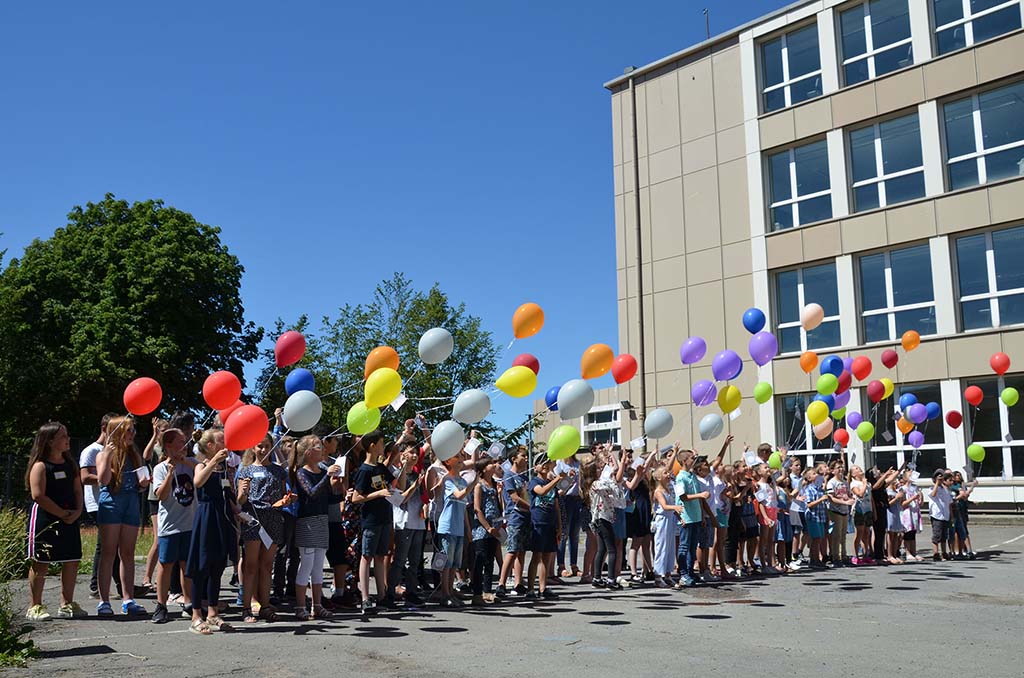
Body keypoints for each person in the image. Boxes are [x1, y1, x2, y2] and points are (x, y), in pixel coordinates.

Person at [25, 422, 85, 620]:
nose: (67, 439)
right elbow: (38, 495)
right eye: (62, 437)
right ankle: (35, 606)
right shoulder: (40, 466)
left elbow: (78, 490)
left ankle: (66, 603)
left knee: (71, 560)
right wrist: (61, 513)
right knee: (41, 562)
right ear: (50, 441)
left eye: (66, 435)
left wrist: (77, 511)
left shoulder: (70, 464)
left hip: (69, 518)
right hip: (46, 518)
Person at [96, 416, 149, 617]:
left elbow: (141, 483)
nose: (132, 434)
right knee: (108, 551)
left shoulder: (134, 453)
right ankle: (104, 601)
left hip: (131, 501)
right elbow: (103, 479)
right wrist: (108, 456)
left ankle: (128, 599)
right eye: (128, 430)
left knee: (128, 553)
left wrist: (144, 483)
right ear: (116, 432)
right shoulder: (104, 454)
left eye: (133, 430)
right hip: (111, 502)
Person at [237, 434, 293, 622]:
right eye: (260, 446)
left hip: (274, 519)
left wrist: (287, 500)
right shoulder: (246, 470)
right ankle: (246, 607)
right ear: (253, 448)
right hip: (254, 520)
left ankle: (265, 606)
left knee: (267, 565)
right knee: (251, 565)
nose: (263, 450)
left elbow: (288, 495)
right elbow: (240, 501)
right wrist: (243, 493)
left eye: (267, 446)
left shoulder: (278, 471)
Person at [186, 428, 237, 634]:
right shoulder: (201, 465)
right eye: (221, 441)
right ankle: (196, 614)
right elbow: (198, 482)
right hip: (206, 518)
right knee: (201, 567)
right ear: (210, 446)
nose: (225, 443)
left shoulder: (223, 469)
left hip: (222, 519)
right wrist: (214, 461)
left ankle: (213, 612)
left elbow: (228, 495)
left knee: (217, 566)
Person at [352, 430, 408, 615]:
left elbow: (398, 485)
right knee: (366, 556)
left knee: (380, 556)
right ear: (372, 446)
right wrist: (378, 493)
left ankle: (382, 596)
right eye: (381, 443)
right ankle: (366, 598)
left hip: (385, 518)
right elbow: (356, 497)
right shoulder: (364, 470)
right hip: (371, 520)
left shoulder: (380, 468)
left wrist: (405, 467)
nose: (383, 447)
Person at [290, 435, 343, 620]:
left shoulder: (322, 472)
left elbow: (329, 498)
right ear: (308, 452)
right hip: (307, 522)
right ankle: (299, 605)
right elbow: (311, 493)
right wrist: (327, 477)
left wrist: (341, 489)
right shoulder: (301, 473)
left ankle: (317, 605)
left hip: (322, 520)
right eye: (318, 447)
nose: (322, 449)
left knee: (319, 566)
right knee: (307, 565)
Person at [151, 428, 196, 623]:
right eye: (180, 442)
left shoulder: (191, 464)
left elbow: (202, 471)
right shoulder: (160, 468)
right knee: (166, 565)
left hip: (190, 524)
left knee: (187, 566)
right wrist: (170, 473)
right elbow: (161, 495)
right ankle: (161, 605)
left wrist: (184, 461)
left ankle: (189, 602)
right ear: (168, 446)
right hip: (170, 526)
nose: (184, 446)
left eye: (185, 441)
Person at [79, 413, 121, 600]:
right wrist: (106, 478)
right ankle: (96, 587)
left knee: (112, 545)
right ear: (105, 429)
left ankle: (120, 585)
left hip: (113, 502)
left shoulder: (117, 450)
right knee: (103, 546)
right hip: (97, 503)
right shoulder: (91, 451)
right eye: (115, 430)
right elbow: (85, 477)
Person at [386, 442, 427, 608]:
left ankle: (412, 592)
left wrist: (425, 502)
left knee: (415, 561)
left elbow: (424, 496)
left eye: (416, 452)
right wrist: (415, 485)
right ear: (402, 454)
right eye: (411, 452)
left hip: (418, 522)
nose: (415, 455)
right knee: (400, 560)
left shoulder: (418, 474)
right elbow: (401, 497)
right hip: (403, 522)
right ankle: (390, 593)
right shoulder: (397, 473)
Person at [584, 454, 625, 589]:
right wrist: (612, 473)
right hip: (602, 518)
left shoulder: (596, 483)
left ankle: (597, 577)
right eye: (599, 469)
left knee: (601, 549)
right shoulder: (596, 484)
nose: (602, 470)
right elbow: (611, 486)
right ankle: (611, 580)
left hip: (601, 518)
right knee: (612, 549)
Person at [495, 446, 530, 598]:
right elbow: (514, 497)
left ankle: (518, 582)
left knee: (521, 551)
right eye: (523, 455)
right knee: (512, 550)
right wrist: (532, 507)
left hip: (526, 517)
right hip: (514, 517)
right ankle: (501, 583)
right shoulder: (509, 476)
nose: (526, 458)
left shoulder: (524, 477)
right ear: (514, 458)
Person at [526, 456, 563, 600]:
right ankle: (530, 589)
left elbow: (556, 506)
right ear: (535, 467)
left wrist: (559, 526)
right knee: (537, 556)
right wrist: (555, 480)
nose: (545, 466)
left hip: (550, 523)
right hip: (538, 522)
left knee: (547, 557)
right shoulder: (534, 482)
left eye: (547, 463)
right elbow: (540, 492)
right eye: (541, 463)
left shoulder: (551, 483)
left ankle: (543, 587)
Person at [674, 449, 712, 588]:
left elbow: (697, 498)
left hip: (695, 516)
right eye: (691, 458)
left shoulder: (692, 476)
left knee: (692, 546)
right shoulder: (680, 477)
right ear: (684, 461)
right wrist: (700, 495)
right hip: (686, 517)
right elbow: (683, 496)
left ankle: (690, 572)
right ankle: (683, 573)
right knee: (684, 546)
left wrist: (701, 514)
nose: (693, 461)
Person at [470, 457, 502, 606]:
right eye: (490, 464)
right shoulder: (479, 486)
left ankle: (487, 590)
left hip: (495, 527)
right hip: (482, 529)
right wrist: (487, 527)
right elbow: (477, 508)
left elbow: (498, 505)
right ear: (483, 469)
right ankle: (476, 593)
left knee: (490, 560)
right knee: (480, 559)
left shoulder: (494, 485)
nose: (493, 466)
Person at [141, 418, 168, 592]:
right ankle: (146, 578)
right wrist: (154, 435)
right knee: (158, 540)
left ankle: (161, 577)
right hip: (155, 497)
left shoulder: (170, 448)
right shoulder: (156, 448)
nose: (164, 433)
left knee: (166, 539)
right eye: (162, 430)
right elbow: (146, 456)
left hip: (169, 497)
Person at [624, 452, 653, 584]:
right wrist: (651, 454)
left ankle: (649, 570)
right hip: (638, 511)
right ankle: (633, 572)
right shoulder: (635, 478)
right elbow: (643, 468)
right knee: (636, 543)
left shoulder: (644, 478)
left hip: (646, 509)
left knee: (646, 542)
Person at [651, 467, 680, 587]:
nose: (668, 475)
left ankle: (667, 574)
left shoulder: (668, 490)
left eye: (669, 472)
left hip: (670, 519)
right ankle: (658, 576)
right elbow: (664, 506)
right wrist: (675, 508)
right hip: (662, 520)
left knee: (670, 548)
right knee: (661, 547)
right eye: (665, 473)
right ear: (658, 477)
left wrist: (679, 517)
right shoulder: (658, 492)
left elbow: (672, 507)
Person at [554, 451, 583, 578]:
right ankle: (561, 566)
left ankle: (574, 565)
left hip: (578, 499)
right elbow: (558, 485)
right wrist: (568, 477)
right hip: (565, 499)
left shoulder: (578, 464)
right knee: (564, 533)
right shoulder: (560, 464)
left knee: (575, 534)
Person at [825, 463, 854, 567]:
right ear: (833, 471)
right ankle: (835, 557)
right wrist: (844, 502)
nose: (841, 469)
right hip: (835, 511)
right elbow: (831, 498)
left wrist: (850, 499)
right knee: (836, 536)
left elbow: (849, 494)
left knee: (843, 536)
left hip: (844, 511)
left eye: (842, 467)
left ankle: (844, 556)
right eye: (838, 468)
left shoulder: (845, 482)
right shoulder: (831, 483)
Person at [802, 467, 828, 568]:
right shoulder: (809, 489)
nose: (816, 475)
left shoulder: (820, 489)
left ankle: (817, 559)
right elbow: (809, 504)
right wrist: (821, 499)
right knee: (815, 539)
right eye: (813, 474)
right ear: (809, 478)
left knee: (820, 538)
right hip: (813, 517)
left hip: (820, 516)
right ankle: (814, 560)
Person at [849, 465, 874, 565]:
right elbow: (860, 494)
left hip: (868, 510)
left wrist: (873, 512)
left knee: (867, 533)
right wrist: (864, 484)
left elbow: (870, 498)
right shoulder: (854, 483)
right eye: (856, 469)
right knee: (859, 533)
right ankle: (856, 555)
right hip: (859, 510)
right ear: (853, 474)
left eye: (859, 468)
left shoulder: (867, 483)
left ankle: (866, 554)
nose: (859, 470)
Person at [928, 470, 953, 561]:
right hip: (936, 515)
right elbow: (933, 495)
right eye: (938, 478)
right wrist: (937, 483)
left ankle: (944, 552)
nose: (940, 480)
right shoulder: (932, 488)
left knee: (944, 535)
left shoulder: (945, 489)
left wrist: (951, 515)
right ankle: (935, 553)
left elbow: (949, 502)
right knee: (936, 535)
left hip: (945, 515)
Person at [900, 471, 924, 562]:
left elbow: (920, 503)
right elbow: (902, 504)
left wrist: (921, 497)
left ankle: (914, 552)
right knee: (907, 534)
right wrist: (913, 498)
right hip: (907, 513)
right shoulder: (903, 489)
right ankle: (908, 552)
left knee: (913, 533)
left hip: (914, 512)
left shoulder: (914, 488)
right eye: (910, 475)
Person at [885, 474, 905, 565]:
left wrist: (901, 496)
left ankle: (895, 553)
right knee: (890, 534)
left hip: (896, 512)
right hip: (890, 513)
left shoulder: (896, 490)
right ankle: (889, 555)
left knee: (896, 535)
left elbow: (900, 503)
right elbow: (888, 504)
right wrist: (896, 498)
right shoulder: (888, 491)